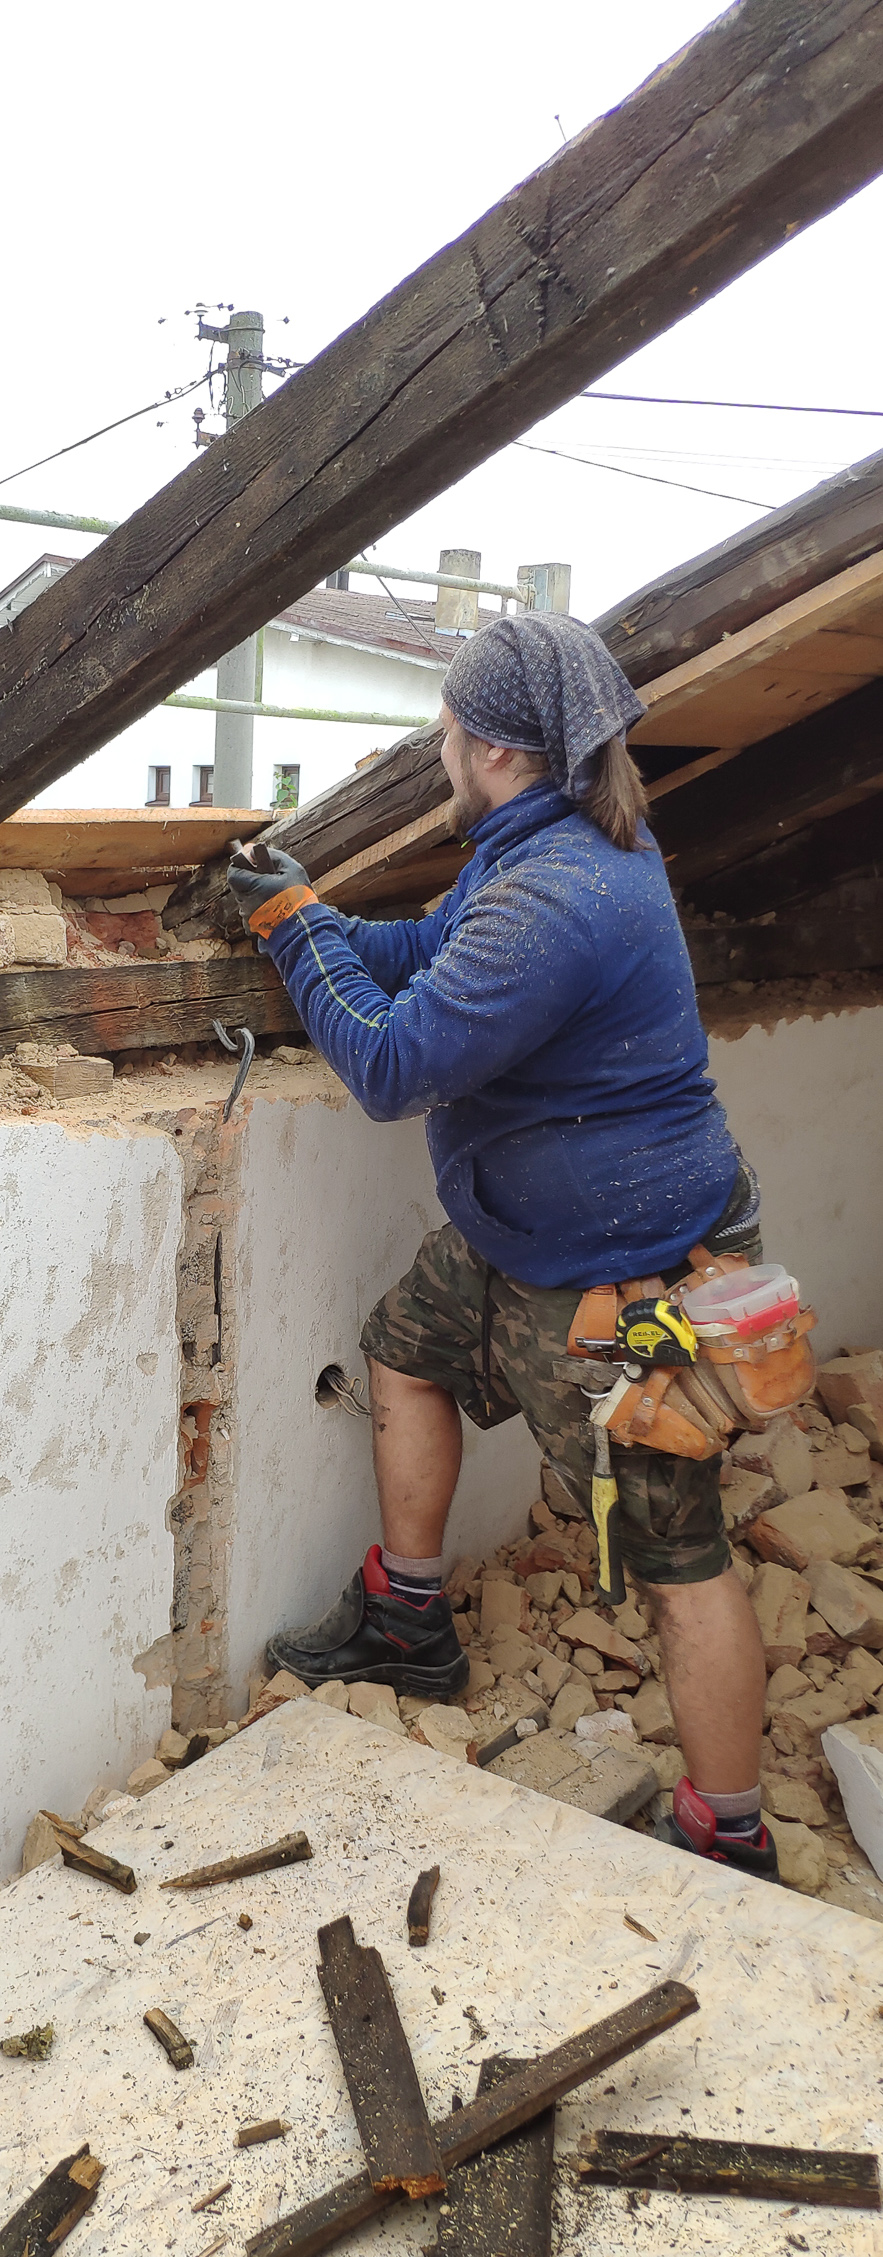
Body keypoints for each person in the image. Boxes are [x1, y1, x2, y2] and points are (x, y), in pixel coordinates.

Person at [226, 609, 779, 1882]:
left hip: (619, 1277)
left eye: (444, 734)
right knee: (402, 1347)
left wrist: (299, 940)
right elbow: (422, 953)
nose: (437, 754)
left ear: (492, 748)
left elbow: (390, 1066)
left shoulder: (556, 896)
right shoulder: (542, 849)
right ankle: (407, 1619)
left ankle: (729, 1831)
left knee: (673, 1553)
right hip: (518, 1235)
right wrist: (303, 911)